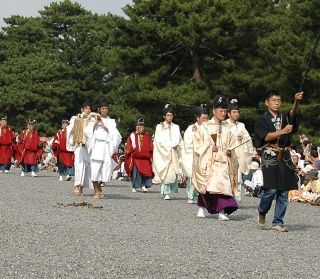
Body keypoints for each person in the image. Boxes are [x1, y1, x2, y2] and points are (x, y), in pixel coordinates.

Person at [254, 90, 303, 232]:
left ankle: (278, 221)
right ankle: (262, 212)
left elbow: (293, 113)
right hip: (270, 154)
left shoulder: (284, 117)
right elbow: (265, 137)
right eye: (273, 100)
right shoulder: (261, 119)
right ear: (267, 102)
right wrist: (282, 132)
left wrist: (297, 101)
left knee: (283, 190)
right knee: (270, 189)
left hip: (284, 154)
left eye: (278, 100)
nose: (276, 102)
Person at [192, 95, 239, 221]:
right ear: (214, 111)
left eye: (224, 111)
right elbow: (196, 144)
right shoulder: (205, 126)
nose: (223, 113)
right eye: (220, 111)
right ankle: (201, 207)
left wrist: (230, 150)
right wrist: (208, 148)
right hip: (209, 161)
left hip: (223, 161)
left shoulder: (227, 128)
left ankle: (221, 211)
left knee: (222, 186)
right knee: (206, 186)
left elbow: (232, 142)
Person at [85, 100, 121, 199]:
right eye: (103, 109)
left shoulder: (111, 121)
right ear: (99, 110)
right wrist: (95, 124)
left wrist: (107, 128)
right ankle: (96, 190)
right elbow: (87, 132)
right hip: (97, 146)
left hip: (106, 146)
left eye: (106, 109)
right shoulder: (94, 119)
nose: (105, 110)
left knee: (106, 169)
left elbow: (117, 135)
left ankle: (99, 186)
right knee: (95, 169)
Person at [153, 104, 183, 200]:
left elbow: (179, 139)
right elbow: (158, 140)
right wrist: (168, 146)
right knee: (165, 173)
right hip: (164, 153)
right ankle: (165, 192)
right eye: (168, 115)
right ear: (164, 116)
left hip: (174, 152)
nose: (170, 117)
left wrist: (177, 145)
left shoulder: (176, 127)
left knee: (172, 172)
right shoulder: (159, 126)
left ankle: (168, 191)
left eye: (171, 115)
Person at [226, 98, 254, 202]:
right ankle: (227, 197)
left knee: (237, 177)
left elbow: (248, 139)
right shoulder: (225, 124)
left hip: (239, 155)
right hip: (228, 154)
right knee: (228, 177)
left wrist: (243, 138)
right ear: (228, 114)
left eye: (237, 112)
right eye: (234, 112)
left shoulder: (241, 125)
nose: (236, 114)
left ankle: (236, 198)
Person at [181, 104, 208, 204]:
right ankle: (191, 195)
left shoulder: (209, 127)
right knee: (194, 176)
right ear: (197, 117)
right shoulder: (192, 128)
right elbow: (188, 143)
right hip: (195, 155)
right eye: (203, 117)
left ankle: (203, 197)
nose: (205, 119)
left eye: (206, 117)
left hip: (207, 155)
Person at [66, 101, 92, 196]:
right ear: (82, 109)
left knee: (87, 168)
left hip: (89, 148)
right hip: (79, 147)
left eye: (89, 108)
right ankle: (77, 186)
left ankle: (82, 188)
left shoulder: (92, 119)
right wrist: (79, 122)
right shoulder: (75, 118)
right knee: (79, 167)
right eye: (86, 108)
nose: (88, 110)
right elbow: (70, 132)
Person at [125, 118, 153, 193]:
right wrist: (130, 151)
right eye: (140, 127)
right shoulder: (133, 135)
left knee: (146, 172)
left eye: (143, 127)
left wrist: (151, 151)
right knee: (135, 173)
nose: (141, 128)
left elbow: (151, 146)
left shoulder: (147, 135)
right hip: (136, 158)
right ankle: (134, 186)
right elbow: (129, 145)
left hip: (145, 158)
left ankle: (143, 185)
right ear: (137, 127)